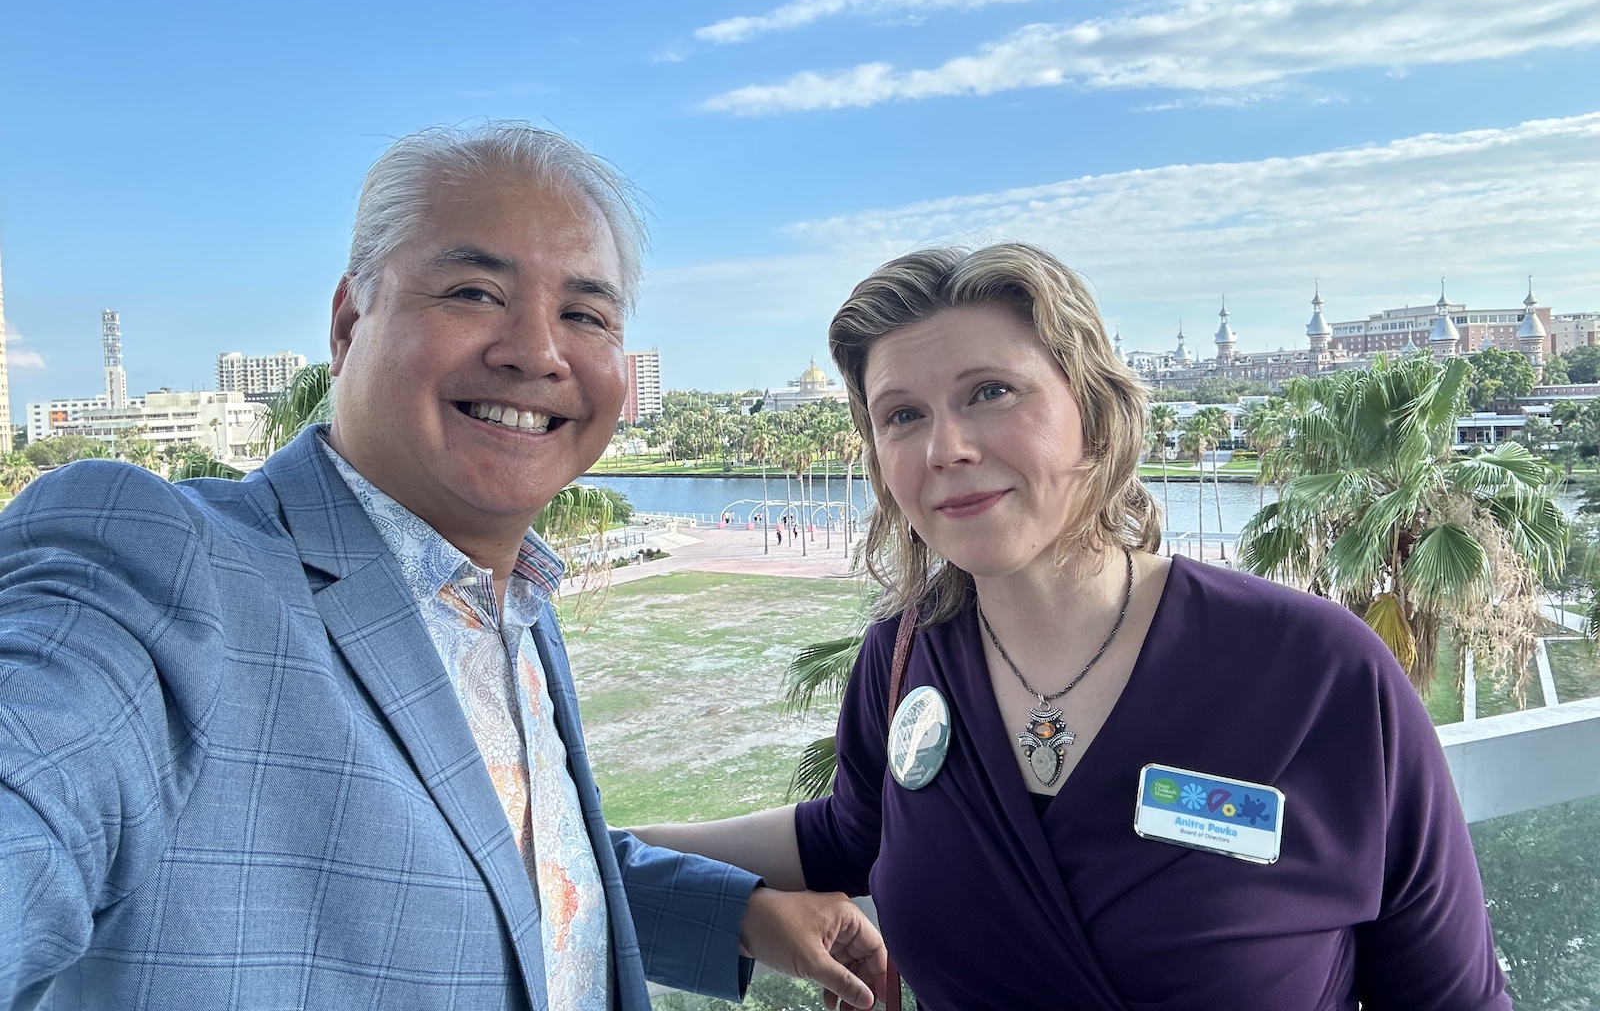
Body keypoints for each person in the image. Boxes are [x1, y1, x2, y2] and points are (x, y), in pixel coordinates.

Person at [0, 124, 884, 1011]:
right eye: (473, 292)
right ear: (349, 323)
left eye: (584, 315)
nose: (537, 351)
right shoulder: (161, 566)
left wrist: (739, 914)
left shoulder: (515, 603)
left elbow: (509, 861)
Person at [634, 243, 1509, 1010]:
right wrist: (592, 843)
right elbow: (851, 835)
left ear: (1093, 412)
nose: (946, 448)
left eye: (990, 393)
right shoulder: (902, 660)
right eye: (902, 414)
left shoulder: (1316, 672)